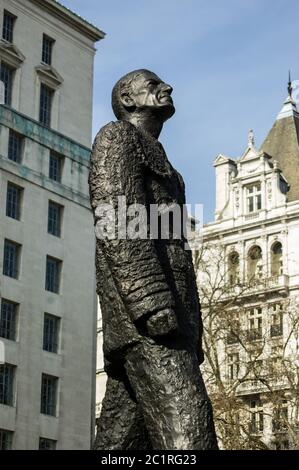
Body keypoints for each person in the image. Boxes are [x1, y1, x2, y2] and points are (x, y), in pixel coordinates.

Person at [89, 69, 218, 450]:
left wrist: (193, 328)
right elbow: (116, 219)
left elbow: (179, 253)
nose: (168, 87)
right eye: (154, 84)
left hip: (169, 324)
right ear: (128, 99)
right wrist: (151, 304)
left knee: (118, 446)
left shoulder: (170, 171)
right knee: (190, 438)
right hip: (149, 322)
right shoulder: (117, 138)